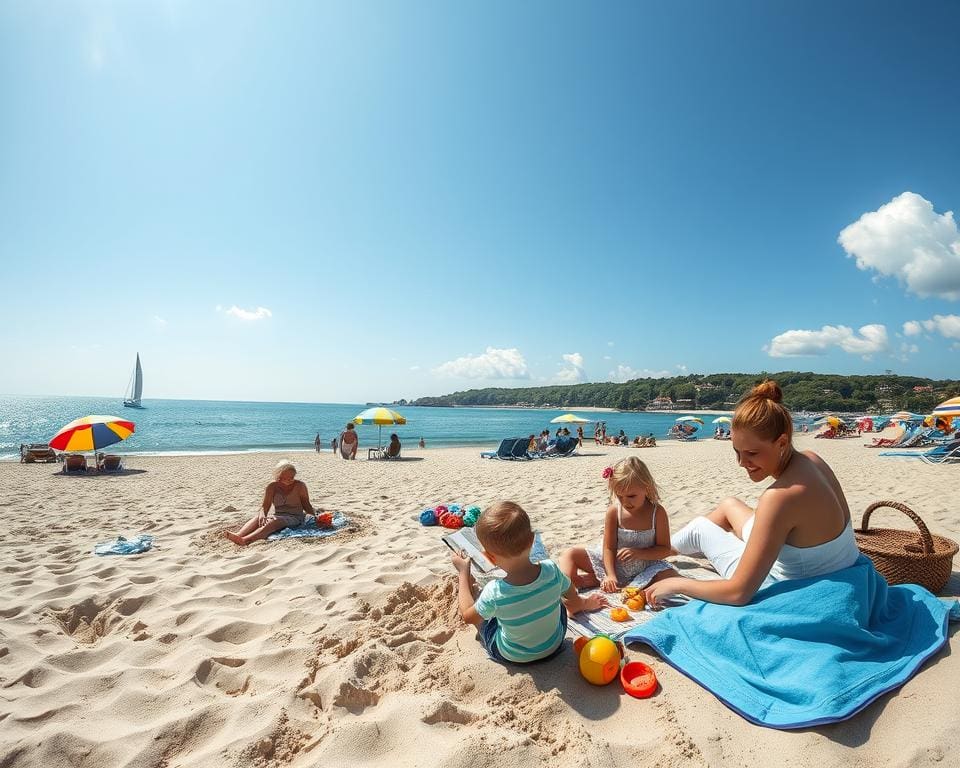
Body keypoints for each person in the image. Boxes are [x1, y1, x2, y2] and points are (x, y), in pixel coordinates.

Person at [646, 380, 860, 608]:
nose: (741, 462)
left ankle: (660, 550)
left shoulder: (779, 497)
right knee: (729, 504)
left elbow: (738, 593)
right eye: (737, 451)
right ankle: (667, 549)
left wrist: (678, 583)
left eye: (752, 453)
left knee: (700, 527)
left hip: (790, 585)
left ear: (782, 442)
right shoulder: (813, 460)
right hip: (839, 571)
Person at [450, 501, 606, 664]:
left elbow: (468, 617)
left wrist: (463, 572)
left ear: (489, 557)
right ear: (532, 541)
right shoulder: (551, 570)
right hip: (554, 646)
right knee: (556, 595)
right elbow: (572, 595)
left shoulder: (495, 591)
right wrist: (584, 602)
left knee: (484, 612)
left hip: (513, 655)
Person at [557, 457, 678, 594]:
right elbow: (608, 547)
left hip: (644, 566)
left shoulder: (657, 512)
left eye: (631, 496)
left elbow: (664, 549)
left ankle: (595, 581)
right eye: (620, 496)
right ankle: (567, 590)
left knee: (670, 575)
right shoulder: (615, 511)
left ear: (646, 487)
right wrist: (610, 574)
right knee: (570, 554)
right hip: (611, 564)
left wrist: (638, 553)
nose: (625, 502)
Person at [224, 460, 317, 546]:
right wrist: (262, 515)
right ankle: (239, 535)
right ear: (279, 476)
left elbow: (306, 504)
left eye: (292, 477)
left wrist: (315, 518)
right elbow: (265, 506)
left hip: (295, 517)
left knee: (274, 522)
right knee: (259, 518)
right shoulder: (272, 486)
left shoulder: (300, 486)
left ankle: (246, 540)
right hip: (278, 515)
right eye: (286, 477)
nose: (289, 480)